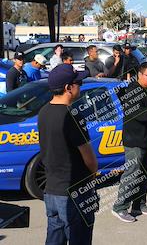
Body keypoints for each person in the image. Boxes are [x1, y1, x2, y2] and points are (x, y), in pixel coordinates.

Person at [39, 64, 97, 244]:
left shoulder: (43, 111)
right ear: (68, 88)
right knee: (79, 238)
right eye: (78, 82)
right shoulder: (72, 115)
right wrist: (93, 174)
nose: (81, 85)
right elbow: (90, 160)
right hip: (75, 192)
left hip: (52, 191)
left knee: (54, 238)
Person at [112, 62, 147, 222]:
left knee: (145, 173)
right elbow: (137, 114)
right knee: (132, 174)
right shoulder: (131, 91)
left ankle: (139, 204)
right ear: (139, 75)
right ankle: (120, 207)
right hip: (135, 141)